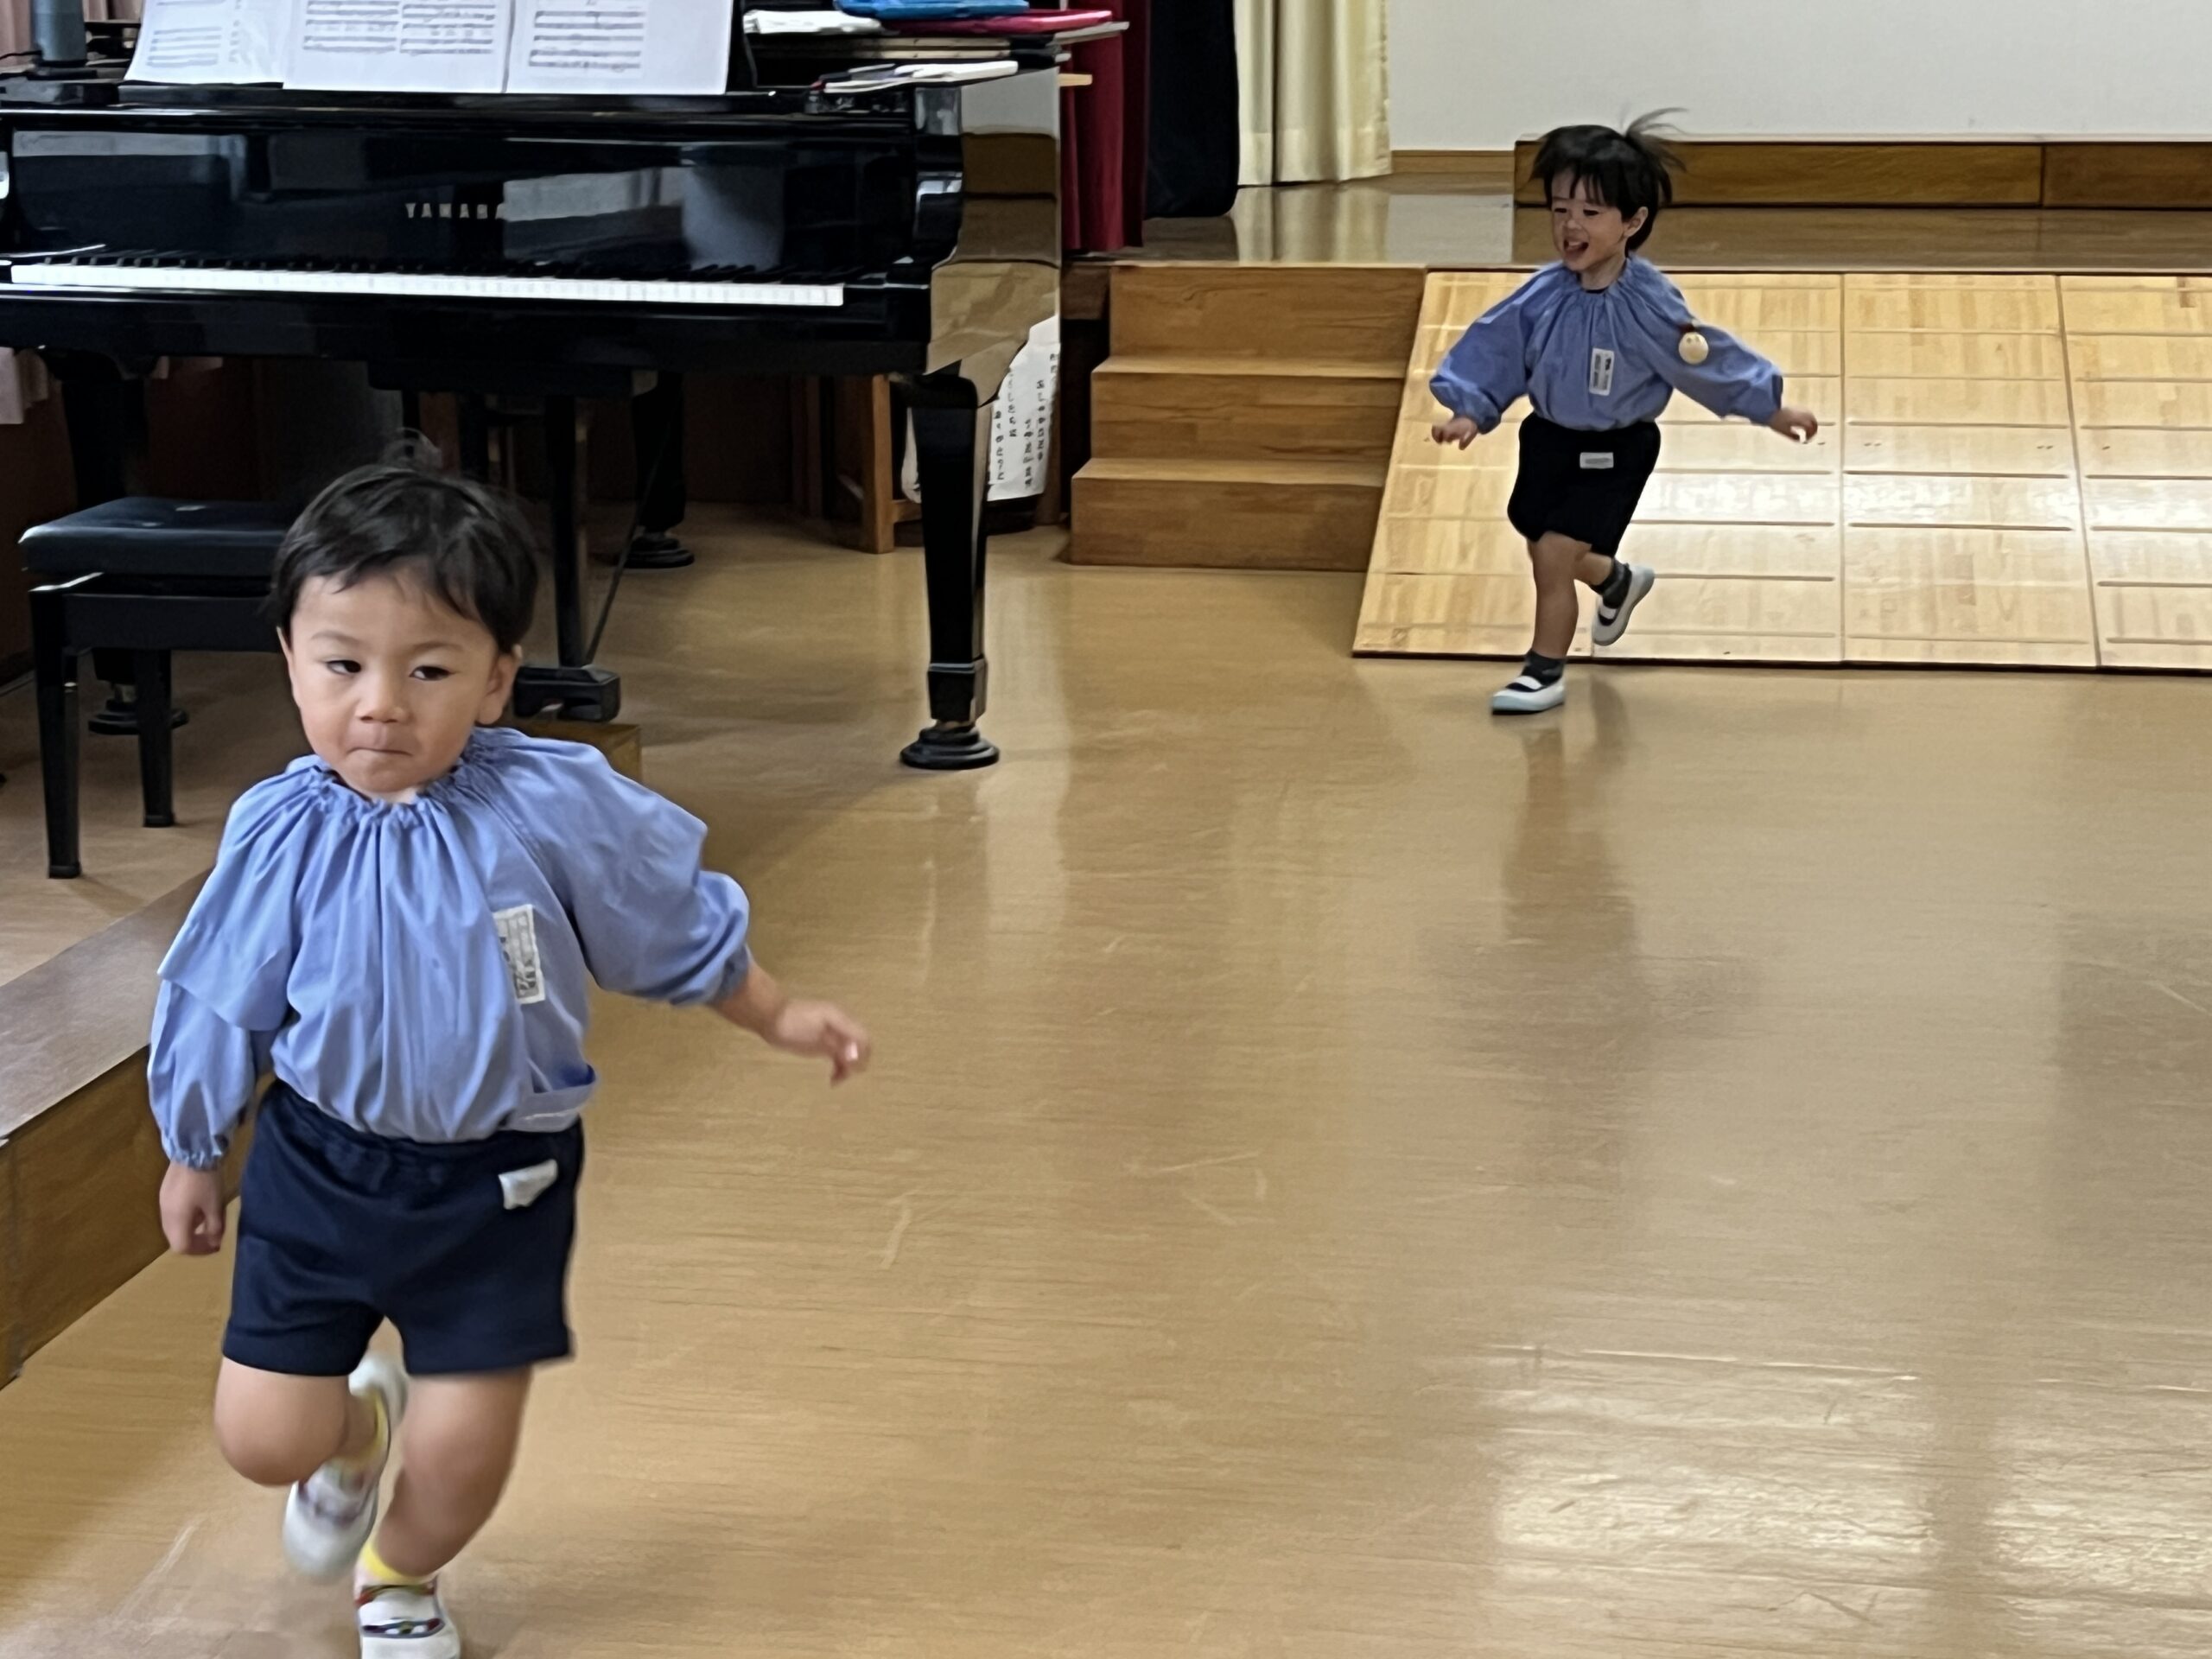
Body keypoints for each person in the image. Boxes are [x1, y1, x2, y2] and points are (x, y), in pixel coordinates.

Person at [149, 452, 871, 1658]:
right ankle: (352, 1438)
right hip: (319, 1171)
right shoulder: (281, 830)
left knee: (465, 1451)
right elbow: (220, 993)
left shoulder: (552, 806)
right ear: (289, 660)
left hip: (498, 1186)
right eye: (342, 665)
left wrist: (774, 1010)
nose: (382, 705)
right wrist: (192, 1147)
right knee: (263, 1440)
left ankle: (401, 1577)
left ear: (496, 680)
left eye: (428, 670)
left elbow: (662, 919)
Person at [1430, 117, 1821, 715]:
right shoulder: (1542, 293)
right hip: (1548, 440)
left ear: (1632, 222)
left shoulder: (1648, 302)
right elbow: (1497, 348)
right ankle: (1617, 581)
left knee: (1553, 556)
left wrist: (1769, 408)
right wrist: (1470, 410)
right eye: (1560, 210)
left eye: (1590, 212)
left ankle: (1543, 672)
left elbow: (1701, 357)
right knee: (1543, 542)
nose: (1571, 226)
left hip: (1616, 450)